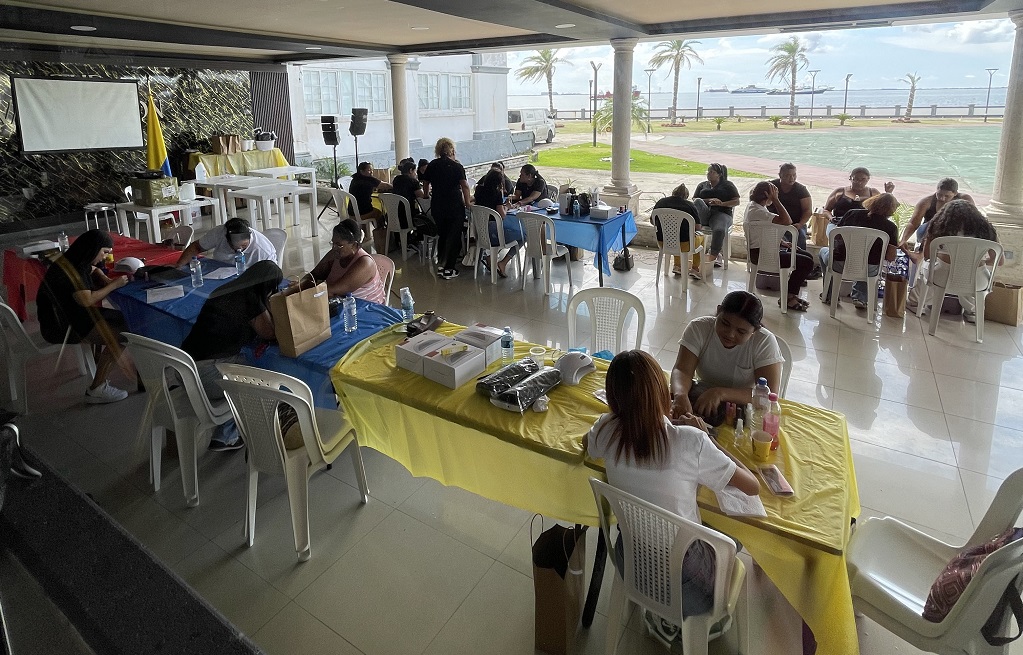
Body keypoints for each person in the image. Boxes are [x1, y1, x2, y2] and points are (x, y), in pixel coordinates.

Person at [587, 350, 759, 624]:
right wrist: (708, 439)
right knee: (735, 536)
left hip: (629, 562)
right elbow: (752, 487)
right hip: (686, 584)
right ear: (662, 394)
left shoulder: (606, 429)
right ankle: (689, 622)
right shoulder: (691, 442)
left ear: (612, 397)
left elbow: (590, 443)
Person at [181, 261, 283, 450]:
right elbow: (269, 333)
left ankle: (230, 430)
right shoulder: (250, 299)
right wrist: (270, 303)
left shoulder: (227, 290)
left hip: (186, 368)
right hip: (207, 376)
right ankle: (228, 435)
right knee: (260, 381)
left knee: (245, 362)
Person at [37, 229, 131, 404]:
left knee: (125, 320)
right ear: (92, 249)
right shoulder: (72, 272)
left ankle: (100, 366)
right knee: (122, 336)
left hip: (67, 315)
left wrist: (104, 278)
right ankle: (97, 388)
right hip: (61, 327)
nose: (104, 257)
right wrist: (114, 284)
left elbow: (93, 269)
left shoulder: (73, 259)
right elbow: (87, 300)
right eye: (104, 252)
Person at [669, 291, 785, 424]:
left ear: (755, 330)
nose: (730, 334)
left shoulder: (764, 342)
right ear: (718, 311)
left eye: (741, 331)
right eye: (725, 323)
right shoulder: (699, 328)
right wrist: (681, 394)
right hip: (701, 396)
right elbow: (682, 370)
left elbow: (768, 395)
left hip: (741, 409)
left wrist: (720, 393)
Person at [909, 199, 1000, 324]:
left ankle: (916, 302)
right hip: (978, 280)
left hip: (943, 277)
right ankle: (972, 310)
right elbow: (999, 261)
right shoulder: (987, 231)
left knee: (926, 266)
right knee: (969, 272)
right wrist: (978, 262)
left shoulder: (938, 228)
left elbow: (928, 256)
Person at [818, 193, 900, 310]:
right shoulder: (891, 227)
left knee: (823, 252)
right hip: (869, 270)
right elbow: (891, 257)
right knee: (869, 260)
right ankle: (860, 298)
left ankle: (830, 295)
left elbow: (837, 237)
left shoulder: (852, 213)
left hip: (841, 264)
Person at [743, 181, 814, 312]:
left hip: (764, 250)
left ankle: (790, 294)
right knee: (807, 262)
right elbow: (787, 221)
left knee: (806, 255)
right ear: (768, 195)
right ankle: (788, 297)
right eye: (775, 194)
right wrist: (775, 200)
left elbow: (766, 230)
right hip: (762, 255)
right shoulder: (757, 210)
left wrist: (783, 243)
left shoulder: (756, 207)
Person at [420, 137, 472, 280]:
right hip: (454, 204)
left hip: (437, 204)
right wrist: (467, 202)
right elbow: (465, 186)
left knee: (443, 234)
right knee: (454, 235)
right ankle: (450, 268)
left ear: (438, 150)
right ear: (452, 150)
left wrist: (425, 195)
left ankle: (442, 264)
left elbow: (425, 182)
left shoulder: (432, 165)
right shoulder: (456, 166)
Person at [305, 219, 385, 303]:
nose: (333, 248)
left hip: (367, 309)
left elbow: (334, 290)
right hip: (343, 304)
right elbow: (313, 275)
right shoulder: (335, 254)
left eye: (339, 245)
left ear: (354, 245)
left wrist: (303, 292)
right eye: (333, 243)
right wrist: (299, 284)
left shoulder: (365, 264)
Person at [899, 178, 976, 255]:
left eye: (947, 196)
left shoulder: (965, 199)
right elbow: (913, 223)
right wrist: (904, 240)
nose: (942, 198)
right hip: (928, 231)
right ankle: (921, 254)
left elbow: (972, 220)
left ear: (955, 193)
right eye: (939, 194)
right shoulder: (926, 202)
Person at [473, 169, 524, 278]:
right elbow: (502, 215)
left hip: (481, 232)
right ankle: (503, 262)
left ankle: (489, 254)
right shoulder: (496, 194)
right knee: (524, 236)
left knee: (503, 232)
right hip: (493, 232)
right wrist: (506, 207)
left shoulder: (478, 190)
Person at [692, 163, 739, 270]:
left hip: (722, 213)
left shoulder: (727, 185)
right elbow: (694, 200)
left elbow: (736, 201)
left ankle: (713, 255)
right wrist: (709, 200)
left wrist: (721, 204)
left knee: (719, 229)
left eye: (712, 172)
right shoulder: (702, 185)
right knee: (698, 201)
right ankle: (690, 251)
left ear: (719, 175)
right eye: (708, 171)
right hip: (705, 215)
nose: (709, 174)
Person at [175, 217, 276, 267]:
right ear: (227, 239)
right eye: (235, 247)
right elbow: (196, 247)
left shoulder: (263, 250)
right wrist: (179, 265)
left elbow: (270, 275)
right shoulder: (219, 232)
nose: (240, 250)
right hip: (220, 271)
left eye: (244, 246)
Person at [652, 182, 702, 277]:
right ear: (686, 196)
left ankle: (677, 266)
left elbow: (652, 221)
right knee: (701, 237)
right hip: (685, 245)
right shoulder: (690, 205)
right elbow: (698, 227)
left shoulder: (661, 202)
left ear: (673, 193)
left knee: (674, 237)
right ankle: (695, 268)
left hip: (663, 242)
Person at [768, 163, 814, 255]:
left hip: (796, 223)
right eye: (788, 175)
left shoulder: (801, 189)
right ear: (780, 175)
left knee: (799, 236)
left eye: (794, 175)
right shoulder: (771, 186)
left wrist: (800, 224)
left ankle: (800, 261)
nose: (792, 178)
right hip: (774, 222)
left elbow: (808, 211)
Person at [822, 167, 895, 223]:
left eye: (863, 179)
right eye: (856, 179)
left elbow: (885, 210)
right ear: (850, 178)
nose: (859, 182)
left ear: (868, 179)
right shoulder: (839, 192)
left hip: (866, 225)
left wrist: (888, 193)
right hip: (839, 223)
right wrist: (831, 218)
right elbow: (826, 210)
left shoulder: (873, 193)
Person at [348, 161, 393, 253]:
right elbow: (385, 185)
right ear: (362, 171)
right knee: (379, 213)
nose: (371, 172)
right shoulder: (369, 180)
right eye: (369, 170)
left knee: (367, 208)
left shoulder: (354, 179)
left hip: (352, 212)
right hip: (362, 214)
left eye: (372, 170)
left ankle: (367, 237)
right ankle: (381, 236)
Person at [391, 158, 436, 240]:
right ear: (411, 170)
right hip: (408, 216)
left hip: (395, 214)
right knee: (426, 217)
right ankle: (418, 240)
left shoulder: (396, 179)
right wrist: (428, 189)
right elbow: (423, 197)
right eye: (415, 171)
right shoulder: (413, 181)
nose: (416, 174)